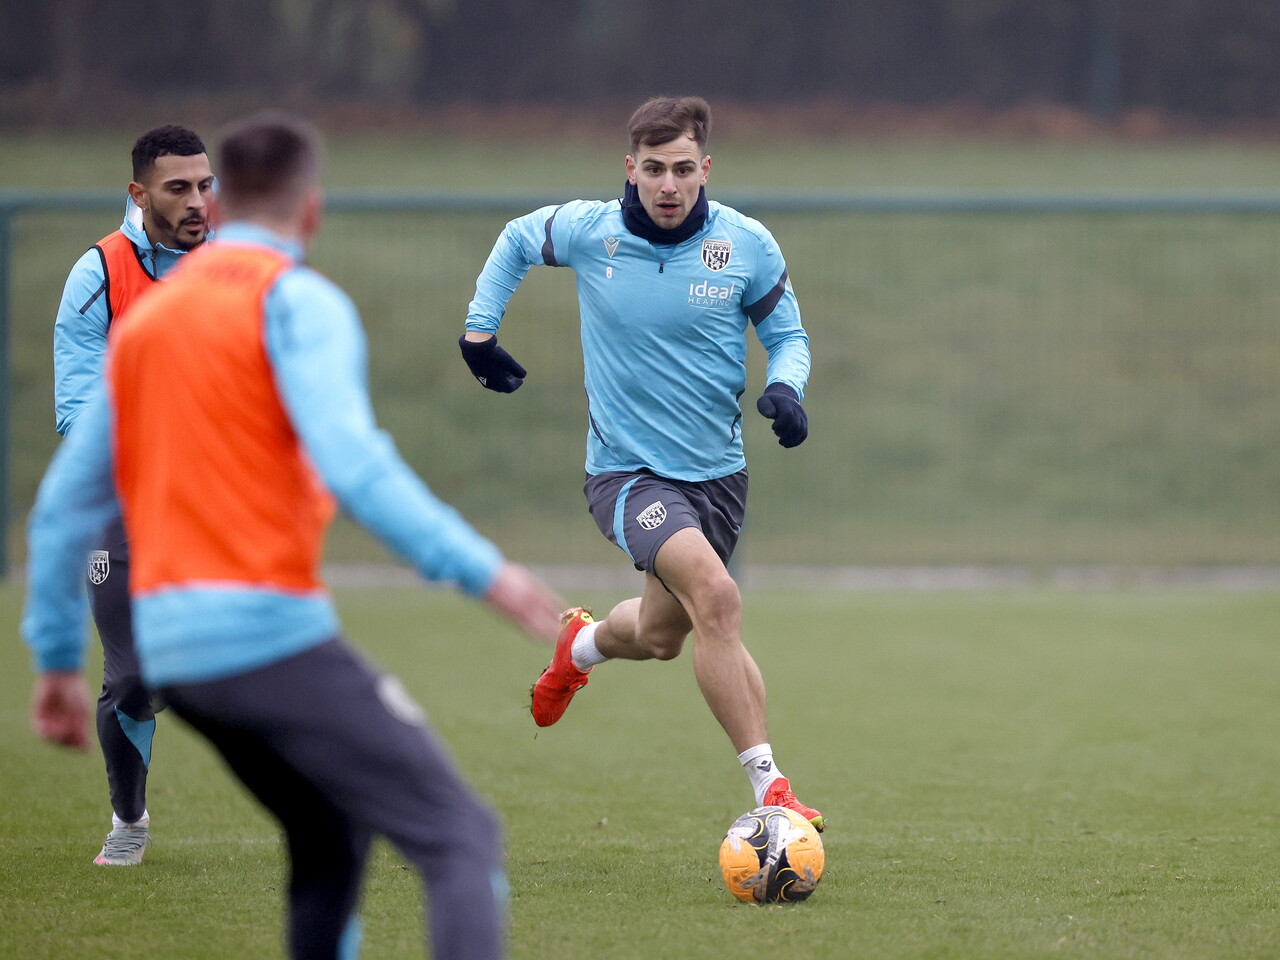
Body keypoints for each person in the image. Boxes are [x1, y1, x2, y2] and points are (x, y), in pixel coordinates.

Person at [25, 110, 563, 960]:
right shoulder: (299, 302)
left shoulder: (148, 331)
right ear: (310, 212)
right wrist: (483, 571)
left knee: (329, 835)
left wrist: (56, 660)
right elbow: (356, 465)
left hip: (170, 649)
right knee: (460, 837)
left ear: (224, 201)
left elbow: (60, 507)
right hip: (262, 634)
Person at [459, 96, 823, 831]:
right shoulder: (594, 233)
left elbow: (789, 337)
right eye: (653, 169)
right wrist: (479, 330)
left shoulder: (744, 244)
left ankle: (579, 646)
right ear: (630, 168)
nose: (667, 185)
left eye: (682, 170)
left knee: (662, 636)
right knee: (718, 598)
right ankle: (771, 790)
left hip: (717, 476)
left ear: (705, 169)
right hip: (627, 475)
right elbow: (517, 237)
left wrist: (787, 386)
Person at [52, 123, 213, 865]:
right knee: (134, 677)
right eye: (178, 188)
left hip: (221, 501)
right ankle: (129, 820)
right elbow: (76, 408)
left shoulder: (239, 267)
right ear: (138, 193)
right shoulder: (99, 274)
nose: (196, 202)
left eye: (205, 185)